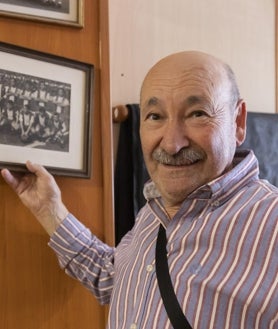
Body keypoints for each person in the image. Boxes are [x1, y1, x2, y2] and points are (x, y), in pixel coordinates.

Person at [1, 51, 277, 329]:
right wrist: (50, 210)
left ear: (238, 122)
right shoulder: (154, 210)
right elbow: (118, 279)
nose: (171, 144)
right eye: (155, 116)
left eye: (197, 114)